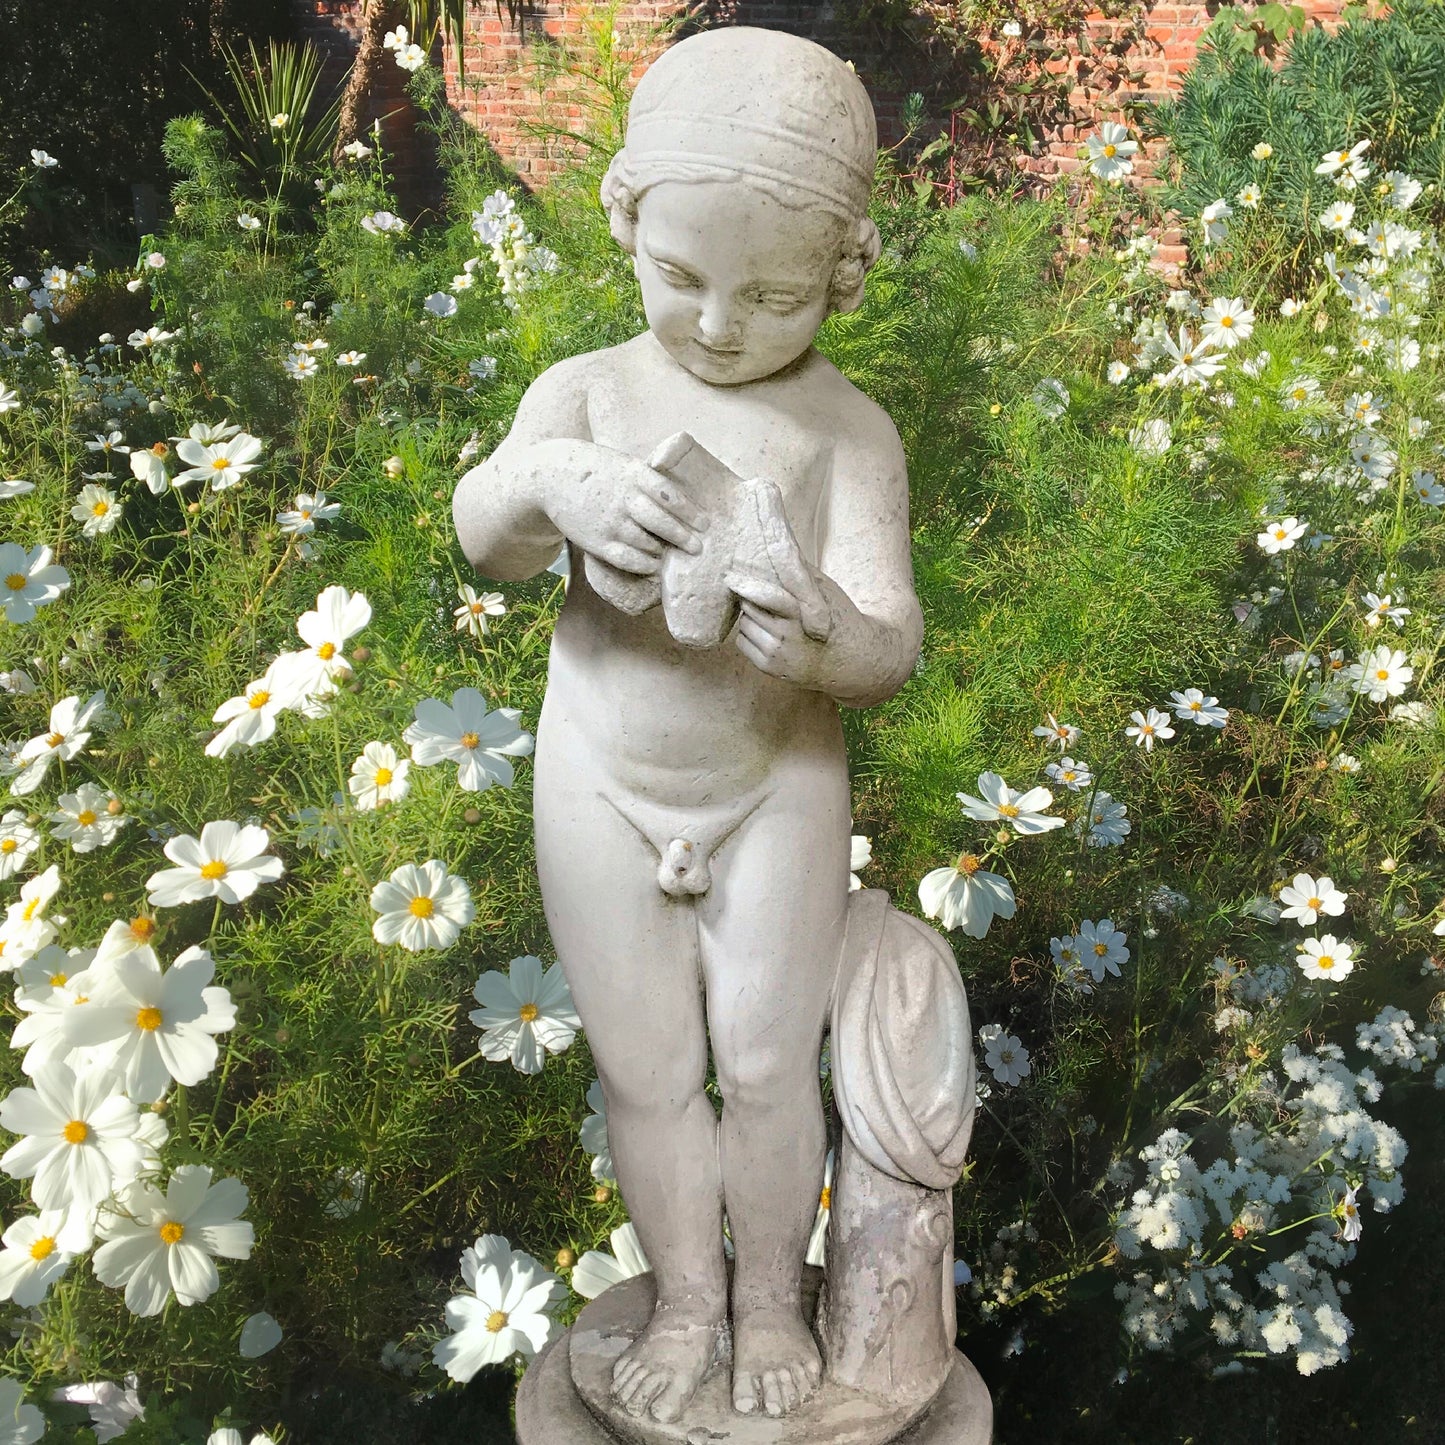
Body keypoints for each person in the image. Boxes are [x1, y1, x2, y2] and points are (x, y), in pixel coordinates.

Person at [452, 26, 923, 1424]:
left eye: (772, 295)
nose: (718, 323)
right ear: (627, 227)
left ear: (843, 268)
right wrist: (553, 484)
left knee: (772, 1063)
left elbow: (888, 640)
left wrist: (825, 632)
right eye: (681, 280)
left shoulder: (849, 434)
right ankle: (689, 1297)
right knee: (647, 1069)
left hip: (773, 780)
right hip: (602, 775)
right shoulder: (588, 395)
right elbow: (484, 534)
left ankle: (772, 1295)